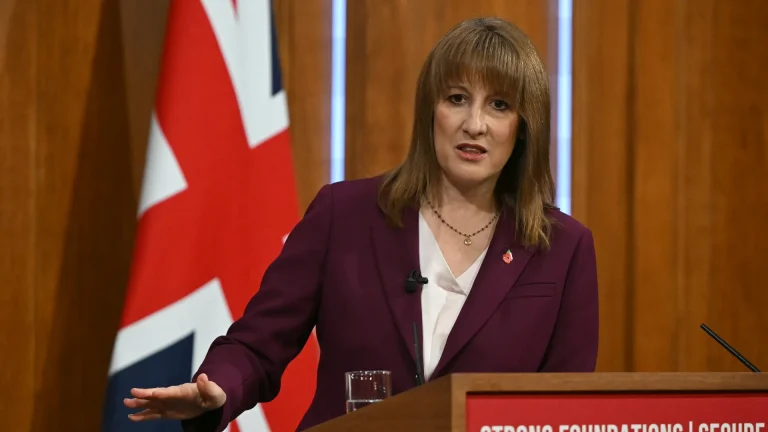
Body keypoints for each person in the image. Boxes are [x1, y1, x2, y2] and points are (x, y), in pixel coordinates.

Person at [123, 16, 599, 431]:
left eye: (499, 105)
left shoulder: (562, 249)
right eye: (457, 98)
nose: (474, 124)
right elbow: (257, 344)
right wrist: (218, 389)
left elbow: (565, 409)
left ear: (523, 127)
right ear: (430, 112)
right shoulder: (344, 215)